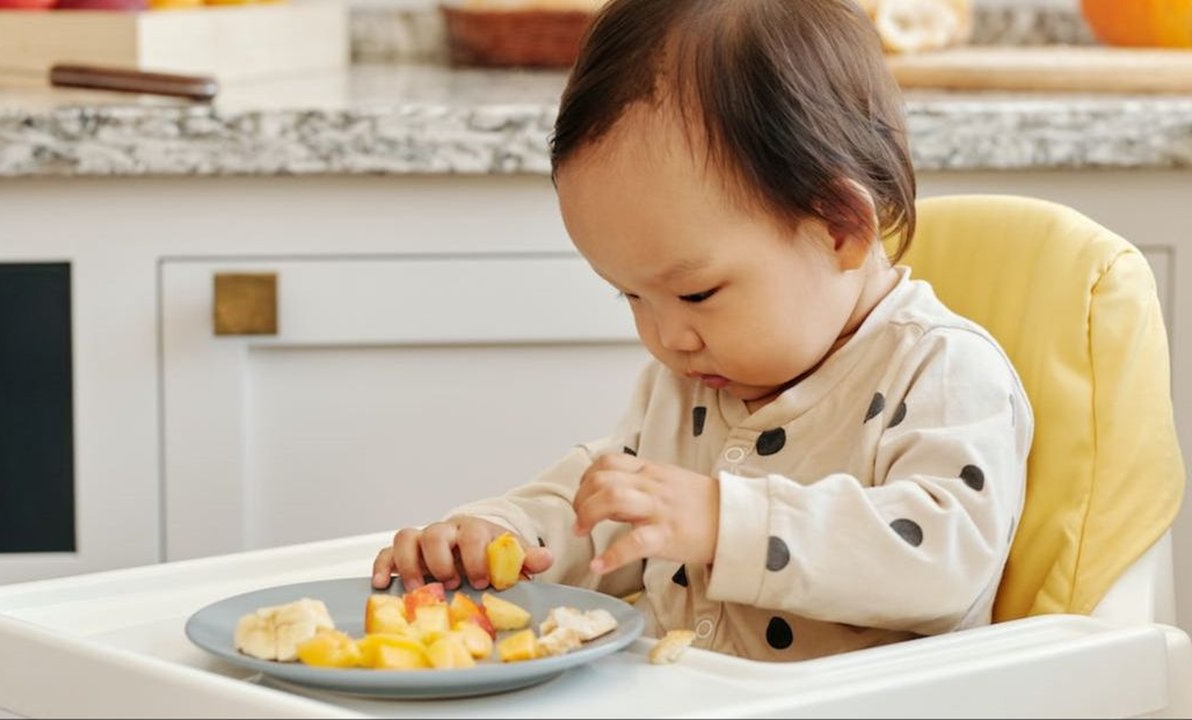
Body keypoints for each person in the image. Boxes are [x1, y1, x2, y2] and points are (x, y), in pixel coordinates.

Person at [371, 0, 1032, 661]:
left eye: (696, 292)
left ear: (839, 228)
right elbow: (603, 506)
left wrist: (726, 523)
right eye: (631, 295)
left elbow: (947, 559)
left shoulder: (941, 369)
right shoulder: (687, 383)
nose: (667, 337)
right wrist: (498, 536)